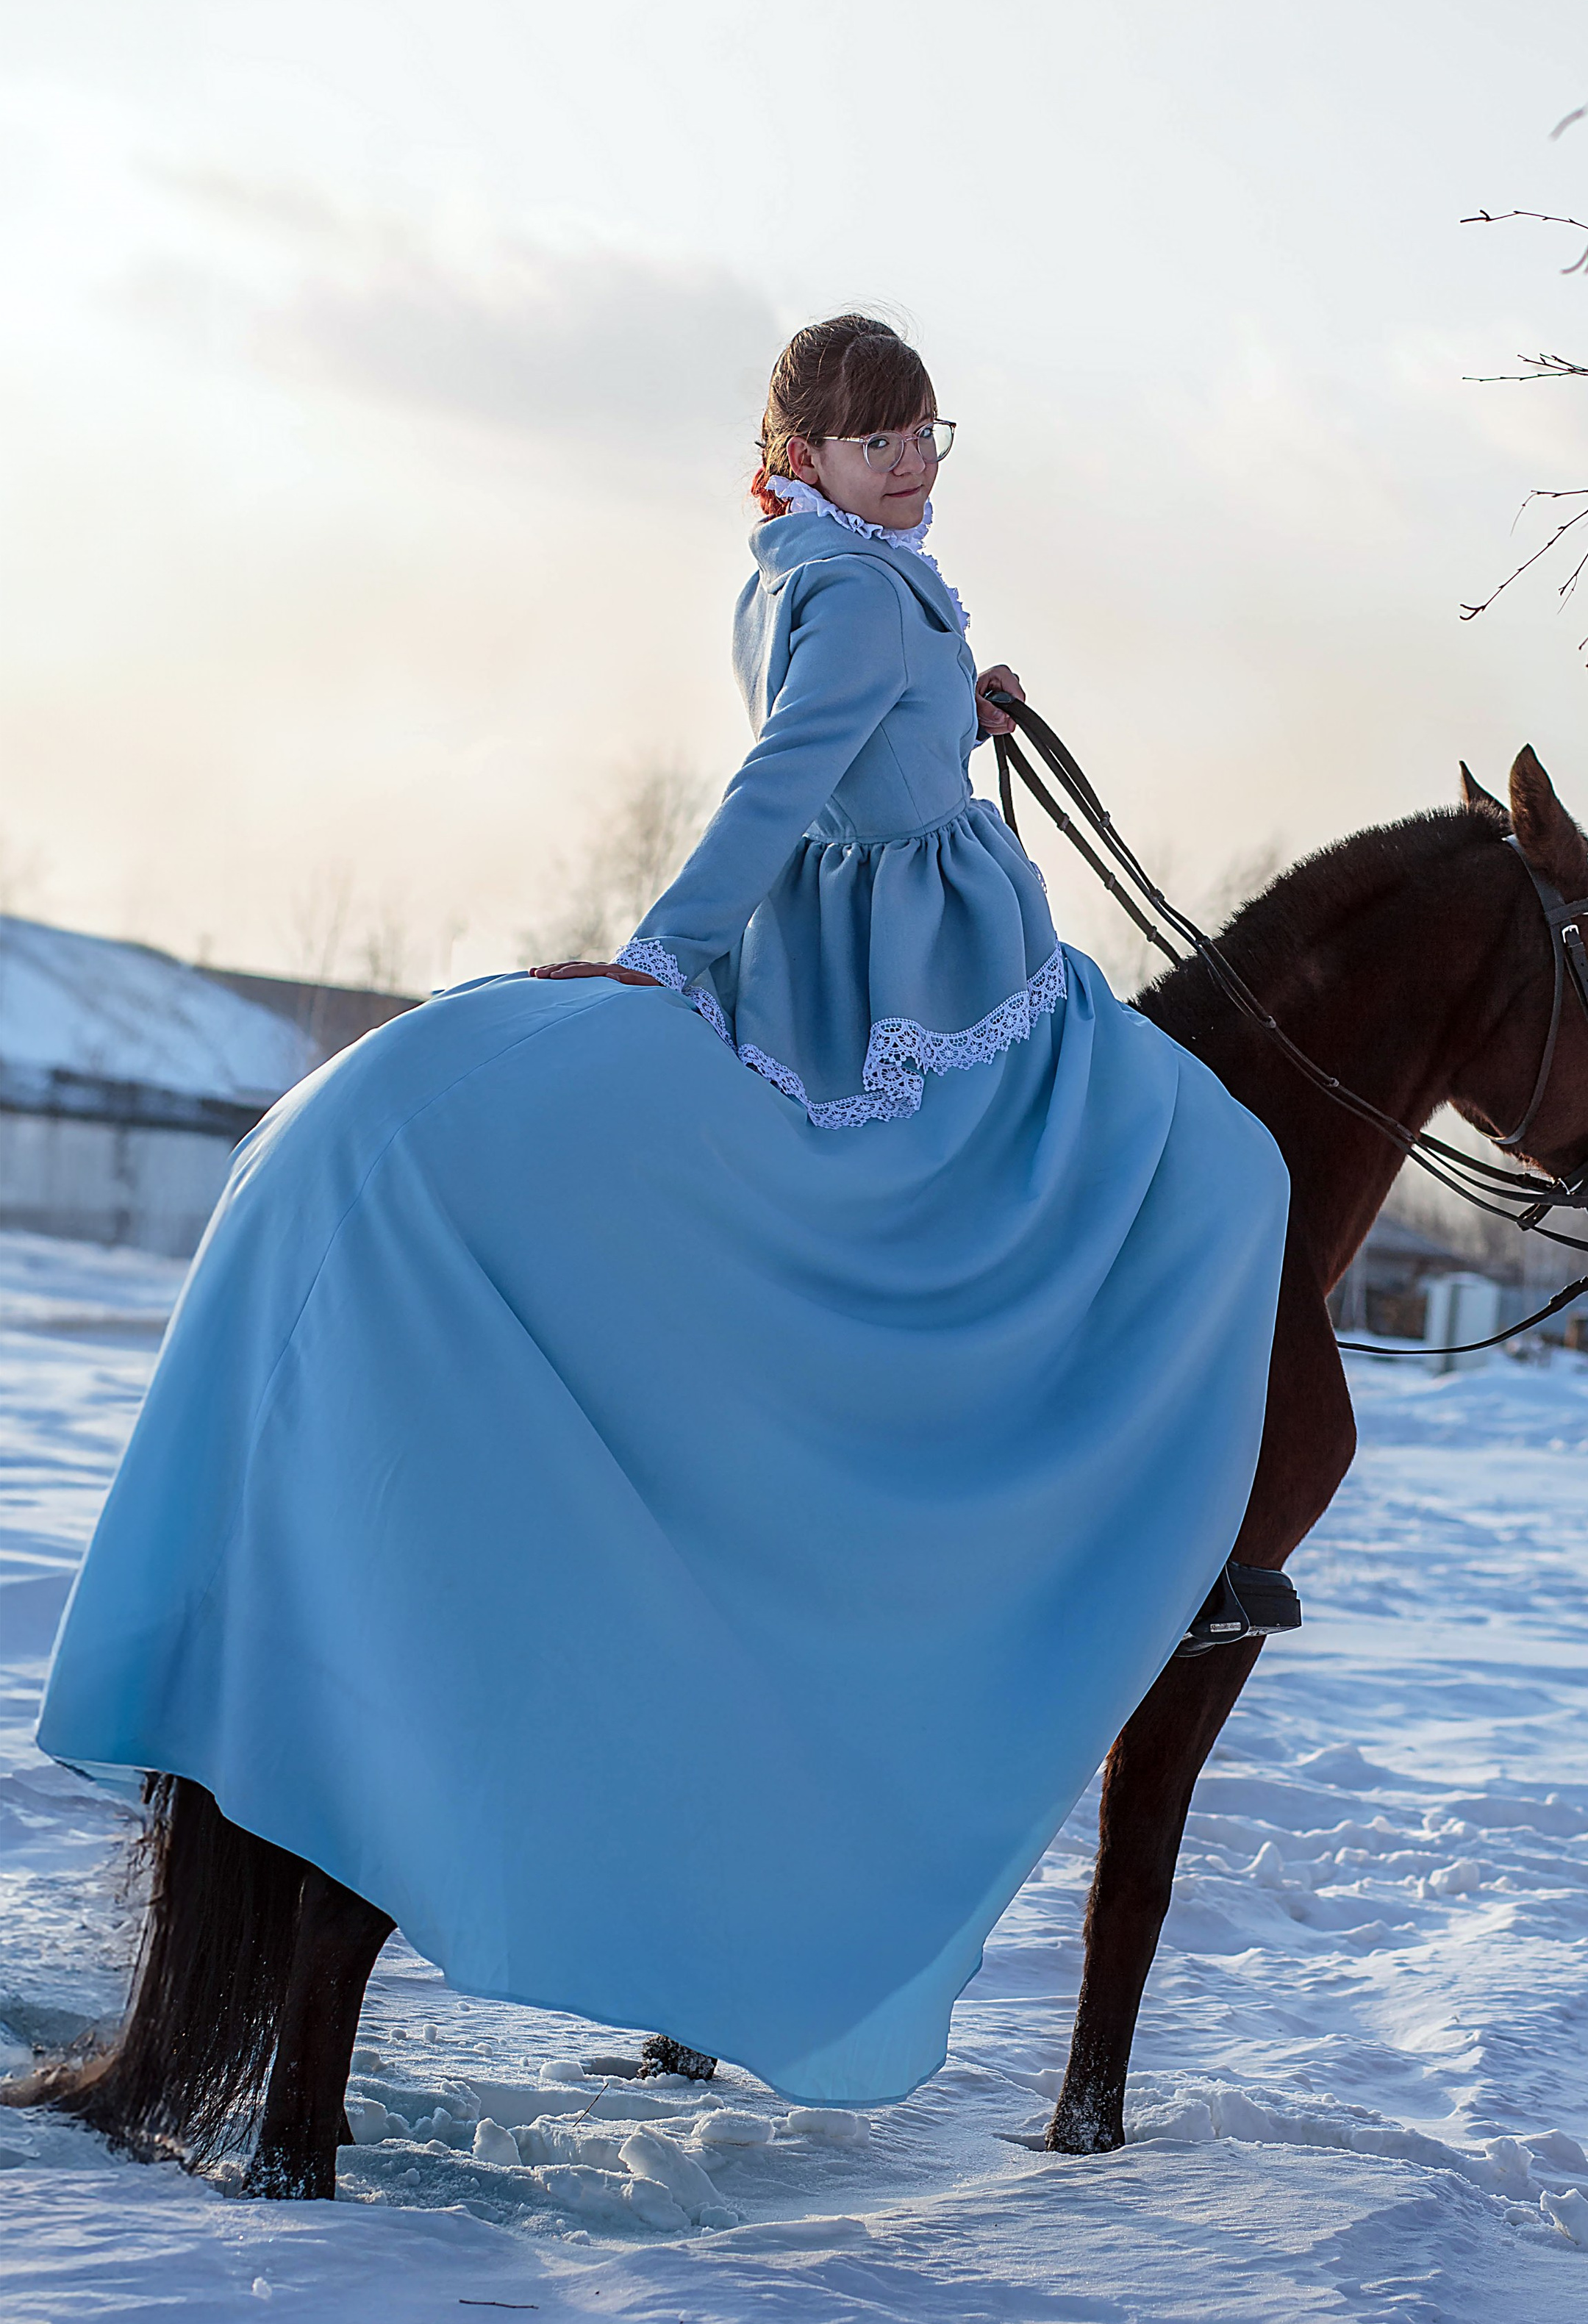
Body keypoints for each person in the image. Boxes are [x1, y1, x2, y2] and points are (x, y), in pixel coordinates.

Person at [37, 313, 1290, 2108]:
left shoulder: (836, 571)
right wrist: (656, 957)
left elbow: (856, 744)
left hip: (909, 917)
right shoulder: (858, 596)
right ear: (801, 457)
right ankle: (1097, 1488)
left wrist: (956, 718)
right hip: (913, 978)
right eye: (874, 445)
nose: (913, 465)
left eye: (928, 431)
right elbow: (784, 782)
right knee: (1206, 1154)